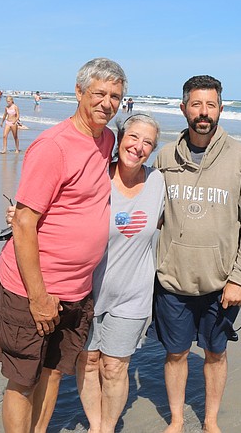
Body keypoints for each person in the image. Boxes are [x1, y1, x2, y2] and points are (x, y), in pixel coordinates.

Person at [0, 57, 126, 433]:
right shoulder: (53, 146)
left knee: (53, 374)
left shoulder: (106, 140)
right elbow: (23, 221)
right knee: (23, 379)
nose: (107, 102)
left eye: (116, 96)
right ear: (79, 92)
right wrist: (39, 297)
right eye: (99, 93)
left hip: (77, 291)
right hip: (31, 289)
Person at [152, 75, 241, 433]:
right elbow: (146, 213)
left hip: (221, 284)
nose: (204, 112)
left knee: (215, 354)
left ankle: (211, 421)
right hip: (172, 279)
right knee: (176, 353)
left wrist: (239, 277)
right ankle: (176, 419)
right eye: (196, 104)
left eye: (211, 105)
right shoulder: (165, 157)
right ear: (183, 107)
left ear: (220, 108)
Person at [76, 113, 165, 433]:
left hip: (133, 294)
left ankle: (106, 428)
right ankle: (95, 424)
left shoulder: (159, 183)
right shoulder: (95, 176)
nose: (139, 147)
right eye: (134, 137)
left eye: (148, 143)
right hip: (86, 291)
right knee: (87, 364)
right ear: (120, 137)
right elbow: (60, 209)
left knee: (114, 367)